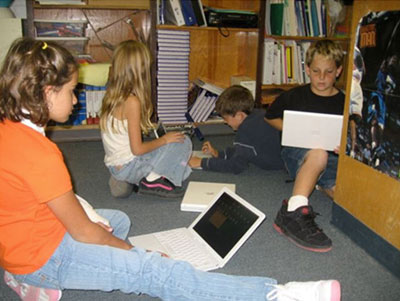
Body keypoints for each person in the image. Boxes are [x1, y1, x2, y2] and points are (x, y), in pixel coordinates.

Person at [0, 37, 342, 301]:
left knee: (116, 220)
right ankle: (276, 293)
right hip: (44, 258)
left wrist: (92, 220)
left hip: (24, 236)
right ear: (46, 93)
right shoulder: (41, 153)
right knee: (154, 271)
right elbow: (84, 233)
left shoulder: (11, 128)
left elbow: (52, 196)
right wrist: (137, 254)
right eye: (72, 91)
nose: (76, 101)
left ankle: (25, 271)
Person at [265, 40, 345, 253]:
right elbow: (270, 117)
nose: (321, 77)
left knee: (349, 201)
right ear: (307, 70)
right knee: (318, 154)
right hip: (296, 154)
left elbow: (350, 136)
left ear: (338, 71)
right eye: (316, 71)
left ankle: (317, 182)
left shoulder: (345, 103)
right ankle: (294, 210)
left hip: (333, 158)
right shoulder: (294, 96)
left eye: (328, 72)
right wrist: (290, 130)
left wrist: (344, 146)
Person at [100, 40, 193, 199]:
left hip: (115, 166)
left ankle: (130, 181)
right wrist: (164, 140)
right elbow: (138, 150)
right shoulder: (132, 102)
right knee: (183, 143)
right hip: (130, 165)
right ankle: (151, 180)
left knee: (180, 164)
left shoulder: (111, 95)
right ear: (139, 71)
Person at [189, 85, 283, 173]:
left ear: (239, 116)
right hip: (282, 156)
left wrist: (202, 162)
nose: (226, 122)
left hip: (276, 165)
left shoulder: (245, 131)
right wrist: (219, 154)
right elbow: (244, 150)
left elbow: (236, 166)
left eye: (226, 118)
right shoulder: (258, 114)